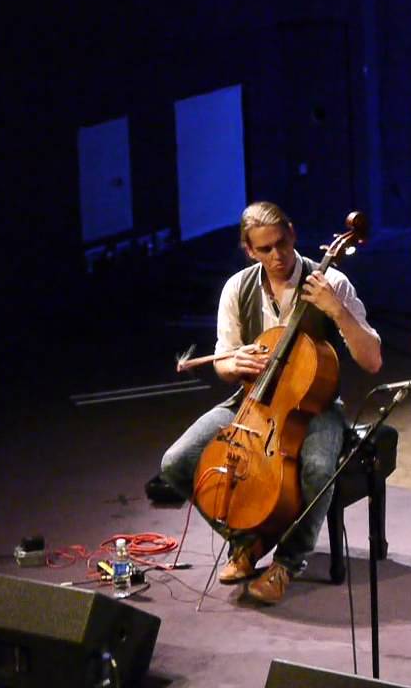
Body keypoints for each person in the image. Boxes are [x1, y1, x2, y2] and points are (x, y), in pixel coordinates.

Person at [161, 201, 381, 604]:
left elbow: (372, 360)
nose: (277, 256)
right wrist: (234, 362)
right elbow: (225, 361)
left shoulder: (332, 283)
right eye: (265, 249)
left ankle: (288, 564)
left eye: (282, 243)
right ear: (249, 250)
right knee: (175, 463)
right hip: (252, 399)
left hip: (314, 406)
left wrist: (336, 310)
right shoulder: (237, 287)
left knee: (317, 468)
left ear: (293, 233)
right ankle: (247, 542)